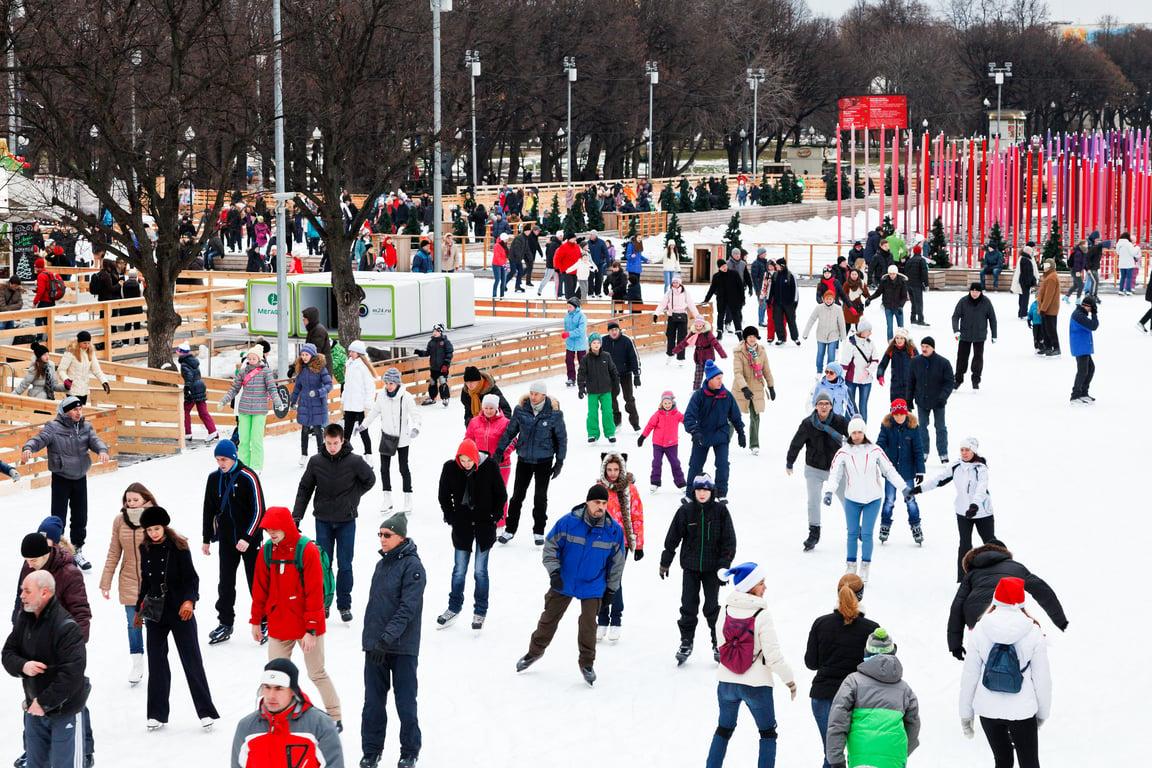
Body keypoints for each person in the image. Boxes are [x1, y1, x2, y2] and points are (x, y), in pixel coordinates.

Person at [515, 484, 625, 686]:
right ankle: (534, 652)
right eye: (596, 502)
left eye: (603, 503)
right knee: (549, 618)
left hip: (593, 583)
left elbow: (617, 563)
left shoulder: (613, 531)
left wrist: (611, 589)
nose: (600, 507)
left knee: (588, 624)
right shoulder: (568, 522)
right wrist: (554, 572)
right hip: (564, 579)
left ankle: (587, 663)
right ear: (587, 502)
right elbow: (550, 546)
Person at [250, 506, 341, 729]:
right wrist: (255, 620)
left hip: (305, 625)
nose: (271, 534)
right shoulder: (267, 551)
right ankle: (282, 714)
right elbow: (260, 588)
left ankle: (335, 716)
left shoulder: (307, 550)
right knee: (276, 675)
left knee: (316, 672)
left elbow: (314, 593)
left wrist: (310, 630)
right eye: (268, 530)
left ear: (286, 527)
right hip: (279, 623)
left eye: (275, 529)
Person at [705, 562, 797, 768]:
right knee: (767, 734)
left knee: (723, 729)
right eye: (761, 583)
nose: (765, 587)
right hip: (757, 685)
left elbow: (721, 643)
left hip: (726, 682)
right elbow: (773, 656)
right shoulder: (762, 615)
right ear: (750, 585)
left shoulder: (725, 610)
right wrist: (789, 680)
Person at [135, 507, 219, 731]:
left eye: (156, 528)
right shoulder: (144, 548)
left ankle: (205, 712)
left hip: (180, 611)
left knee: (191, 660)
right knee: (157, 662)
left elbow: (192, 579)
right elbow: (145, 581)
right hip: (154, 613)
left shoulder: (179, 546)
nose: (153, 533)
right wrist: (138, 609)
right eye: (149, 529)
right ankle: (156, 714)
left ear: (164, 527)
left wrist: (189, 601)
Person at [958, 577, 1051, 768]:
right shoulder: (1033, 632)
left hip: (988, 710)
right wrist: (1042, 714)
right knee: (1030, 763)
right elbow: (1043, 680)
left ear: (996, 599)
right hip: (1023, 711)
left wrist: (966, 714)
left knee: (1002, 761)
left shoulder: (980, 630)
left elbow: (969, 677)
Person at [3, 571, 90, 768]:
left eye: (27, 591)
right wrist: (23, 666)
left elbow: (72, 675)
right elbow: (8, 653)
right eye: (21, 590)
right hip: (34, 708)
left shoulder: (66, 627)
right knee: (36, 764)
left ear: (45, 593)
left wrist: (43, 702)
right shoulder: (24, 618)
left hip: (64, 710)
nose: (22, 596)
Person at [293, 424, 375, 623]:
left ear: (342, 441)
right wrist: (296, 516)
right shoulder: (315, 462)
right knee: (323, 565)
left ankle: (344, 604)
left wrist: (352, 498)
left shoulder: (355, 461)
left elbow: (370, 480)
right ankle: (324, 602)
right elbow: (305, 489)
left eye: (335, 443)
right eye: (328, 443)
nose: (331, 447)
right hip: (323, 520)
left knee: (345, 565)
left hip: (346, 521)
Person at [361, 514, 425, 768]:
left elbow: (407, 609)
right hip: (376, 648)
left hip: (402, 649)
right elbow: (376, 608)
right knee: (373, 703)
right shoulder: (382, 564)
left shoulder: (413, 567)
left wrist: (385, 639)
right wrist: (371, 642)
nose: (382, 539)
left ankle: (409, 751)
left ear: (402, 537)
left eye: (387, 535)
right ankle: (371, 751)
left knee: (405, 702)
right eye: (380, 534)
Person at [21, 396, 110, 570]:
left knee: (80, 517)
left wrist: (102, 450)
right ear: (65, 411)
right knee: (58, 518)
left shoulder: (85, 426)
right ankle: (58, 552)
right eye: (74, 409)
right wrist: (28, 447)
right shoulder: (53, 427)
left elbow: (95, 440)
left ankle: (77, 550)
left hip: (80, 478)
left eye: (80, 409)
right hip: (61, 478)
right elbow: (39, 439)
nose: (78, 412)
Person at [805, 575, 880, 768]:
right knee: (860, 756)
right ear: (861, 596)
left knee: (831, 755)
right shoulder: (871, 629)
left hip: (823, 698)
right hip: (857, 699)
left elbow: (811, 663)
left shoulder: (820, 623)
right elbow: (878, 668)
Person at [660, 474, 736, 665]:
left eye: (706, 490)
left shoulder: (721, 511)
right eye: (699, 490)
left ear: (711, 491)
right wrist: (665, 560)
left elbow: (729, 541)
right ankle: (686, 642)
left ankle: (718, 643)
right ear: (694, 491)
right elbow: (673, 537)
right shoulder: (686, 511)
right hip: (691, 568)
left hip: (713, 570)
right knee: (688, 606)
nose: (702, 493)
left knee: (712, 608)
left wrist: (724, 566)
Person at [949, 541, 1068, 661]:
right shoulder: (1016, 567)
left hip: (978, 619)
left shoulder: (972, 573)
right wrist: (1061, 621)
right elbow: (1043, 592)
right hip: (1010, 616)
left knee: (983, 654)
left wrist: (955, 645)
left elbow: (957, 606)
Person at [824, 418, 909, 583]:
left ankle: (865, 565)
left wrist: (903, 487)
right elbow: (835, 474)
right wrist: (829, 491)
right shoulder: (843, 452)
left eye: (859, 432)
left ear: (864, 432)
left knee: (867, 533)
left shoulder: (875, 450)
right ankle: (851, 565)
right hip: (852, 499)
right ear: (849, 434)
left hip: (873, 499)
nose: (856, 436)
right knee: (852, 533)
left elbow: (889, 470)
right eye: (853, 433)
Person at [436, 438, 506, 630]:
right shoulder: (451, 468)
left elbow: (501, 494)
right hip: (462, 525)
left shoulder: (489, 466)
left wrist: (494, 516)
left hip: (484, 525)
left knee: (480, 571)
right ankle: (453, 607)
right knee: (459, 570)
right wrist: (450, 515)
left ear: (476, 457)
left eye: (469, 460)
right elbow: (443, 495)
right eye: (463, 460)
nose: (466, 464)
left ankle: (480, 611)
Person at [201, 439, 266, 645]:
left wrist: (247, 537)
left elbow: (259, 510)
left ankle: (264, 620)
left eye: (225, 459)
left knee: (255, 583)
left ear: (234, 457)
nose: (221, 463)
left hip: (249, 541)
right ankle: (225, 623)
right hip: (228, 541)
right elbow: (208, 509)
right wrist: (206, 538)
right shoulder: (213, 479)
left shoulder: (248, 477)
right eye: (218, 459)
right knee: (225, 583)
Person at [825, 627, 920, 768]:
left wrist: (836, 759)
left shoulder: (852, 682)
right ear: (893, 653)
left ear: (866, 653)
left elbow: (837, 721)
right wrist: (900, 753)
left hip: (861, 756)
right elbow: (913, 725)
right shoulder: (904, 689)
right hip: (894, 755)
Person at [231, 658, 344, 768]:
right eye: (267, 687)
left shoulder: (319, 724)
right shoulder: (246, 727)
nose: (271, 696)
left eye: (279, 688)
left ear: (293, 691)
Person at [495, 381, 568, 546]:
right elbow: (510, 431)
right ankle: (510, 529)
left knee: (540, 497)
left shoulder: (554, 414)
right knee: (517, 496)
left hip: (544, 460)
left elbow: (561, 438)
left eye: (536, 394)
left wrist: (560, 462)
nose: (533, 396)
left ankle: (539, 531)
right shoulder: (521, 410)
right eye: (531, 393)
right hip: (524, 460)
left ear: (544, 395)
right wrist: (499, 450)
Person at [913, 436, 993, 581]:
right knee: (964, 545)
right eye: (962, 450)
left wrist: (975, 505)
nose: (964, 453)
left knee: (989, 543)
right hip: (963, 512)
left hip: (982, 512)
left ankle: (997, 572)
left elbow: (981, 488)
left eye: (967, 450)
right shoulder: (956, 466)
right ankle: (963, 578)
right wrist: (919, 489)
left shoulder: (981, 468)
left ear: (973, 451)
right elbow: (939, 479)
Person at [99, 483, 153, 685]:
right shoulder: (119, 521)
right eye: (128, 500)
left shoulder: (154, 517)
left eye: (135, 500)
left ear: (145, 500)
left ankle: (157, 660)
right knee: (134, 624)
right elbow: (114, 552)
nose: (130, 503)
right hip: (128, 580)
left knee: (156, 625)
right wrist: (106, 581)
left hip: (152, 581)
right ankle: (137, 662)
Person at [786, 391, 849, 552]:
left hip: (836, 468)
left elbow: (854, 439)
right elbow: (796, 443)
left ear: (831, 406)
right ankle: (814, 533)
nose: (823, 406)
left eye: (826, 404)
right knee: (813, 501)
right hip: (814, 468)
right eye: (820, 403)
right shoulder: (808, 424)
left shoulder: (840, 421)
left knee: (846, 499)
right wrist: (790, 462)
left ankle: (855, 528)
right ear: (816, 406)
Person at [595, 452, 644, 641]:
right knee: (600, 579)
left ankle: (615, 619)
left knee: (615, 581)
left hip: (620, 543)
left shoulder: (630, 490)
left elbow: (637, 516)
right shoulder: (598, 488)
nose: (613, 473)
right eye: (609, 469)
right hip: (600, 543)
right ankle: (601, 619)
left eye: (616, 469)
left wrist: (638, 544)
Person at [359, 367, 420, 514]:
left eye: (391, 383)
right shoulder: (381, 396)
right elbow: (374, 412)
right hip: (386, 438)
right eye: (386, 383)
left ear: (397, 383)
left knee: (403, 468)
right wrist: (364, 425)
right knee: (384, 469)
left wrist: (416, 427)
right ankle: (387, 499)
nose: (388, 386)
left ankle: (408, 498)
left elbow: (415, 414)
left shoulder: (406, 397)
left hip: (402, 439)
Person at [684, 360, 745, 502]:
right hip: (702, 435)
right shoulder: (698, 396)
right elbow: (689, 416)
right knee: (695, 465)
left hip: (721, 434)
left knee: (722, 464)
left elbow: (735, 415)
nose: (720, 381)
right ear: (709, 379)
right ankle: (690, 494)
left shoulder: (726, 395)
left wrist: (741, 432)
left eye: (721, 378)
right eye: (717, 378)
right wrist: (694, 431)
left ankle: (720, 493)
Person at [221, 346, 285, 471]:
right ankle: (244, 465)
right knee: (244, 440)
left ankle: (256, 467)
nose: (251, 360)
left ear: (259, 358)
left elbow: (272, 388)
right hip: (244, 409)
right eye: (249, 358)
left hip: (259, 410)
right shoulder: (243, 372)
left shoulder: (266, 372)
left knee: (256, 440)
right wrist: (224, 400)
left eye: (254, 358)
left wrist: (277, 401)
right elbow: (234, 388)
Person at [875, 399, 925, 545]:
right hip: (891, 472)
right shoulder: (886, 426)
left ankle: (916, 525)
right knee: (889, 500)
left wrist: (920, 471)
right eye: (896, 414)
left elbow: (918, 450)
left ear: (906, 413)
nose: (899, 417)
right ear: (892, 414)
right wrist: (875, 457)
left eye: (901, 414)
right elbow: (880, 444)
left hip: (907, 472)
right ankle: (885, 525)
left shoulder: (913, 427)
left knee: (910, 500)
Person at [907, 337, 953, 463]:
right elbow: (911, 382)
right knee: (922, 427)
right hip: (922, 401)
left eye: (927, 346)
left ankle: (943, 453)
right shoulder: (915, 362)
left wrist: (943, 397)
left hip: (938, 402)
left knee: (940, 427)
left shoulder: (943, 363)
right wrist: (909, 400)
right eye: (922, 346)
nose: (924, 349)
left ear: (933, 348)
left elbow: (949, 382)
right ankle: (923, 452)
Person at [732, 326, 775, 456]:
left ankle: (754, 444)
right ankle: (724, 441)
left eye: (754, 336)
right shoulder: (739, 352)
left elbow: (766, 369)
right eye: (749, 336)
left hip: (757, 387)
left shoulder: (761, 351)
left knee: (755, 416)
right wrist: (744, 388)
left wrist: (771, 386)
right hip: (741, 388)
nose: (752, 339)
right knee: (732, 417)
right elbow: (738, 372)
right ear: (745, 338)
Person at [289, 343, 332, 466]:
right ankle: (304, 454)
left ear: (312, 355)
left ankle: (321, 454)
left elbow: (329, 385)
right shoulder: (301, 369)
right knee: (305, 429)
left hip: (317, 403)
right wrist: (293, 401)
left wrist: (319, 392)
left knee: (318, 430)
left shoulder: (320, 368)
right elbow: (297, 387)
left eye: (306, 354)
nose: (304, 357)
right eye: (302, 354)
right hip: (305, 404)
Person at [952, 283, 998, 390]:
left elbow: (992, 319)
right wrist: (956, 330)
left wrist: (994, 334)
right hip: (964, 335)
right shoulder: (963, 301)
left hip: (979, 335)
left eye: (976, 291)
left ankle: (976, 380)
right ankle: (958, 379)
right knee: (962, 358)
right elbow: (955, 316)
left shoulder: (986, 302)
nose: (974, 293)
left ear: (980, 292)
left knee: (978, 358)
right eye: (972, 291)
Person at [577, 333, 620, 444]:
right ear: (590, 344)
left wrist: (616, 384)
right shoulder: (586, 359)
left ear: (601, 344)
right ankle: (592, 434)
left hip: (606, 390)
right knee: (592, 413)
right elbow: (581, 374)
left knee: (608, 412)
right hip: (592, 391)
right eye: (594, 343)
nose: (596, 345)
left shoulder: (606, 356)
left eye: (598, 343)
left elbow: (613, 370)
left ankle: (610, 433)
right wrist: (581, 388)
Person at [602, 321, 642, 433]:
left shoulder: (626, 340)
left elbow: (634, 358)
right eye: (611, 330)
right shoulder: (603, 341)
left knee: (629, 398)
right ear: (608, 331)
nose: (614, 332)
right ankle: (616, 422)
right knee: (611, 399)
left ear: (619, 330)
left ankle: (635, 424)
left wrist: (637, 375)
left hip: (626, 374)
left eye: (616, 330)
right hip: (611, 375)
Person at [176, 343, 218, 442]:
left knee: (185, 410)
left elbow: (189, 376)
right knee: (203, 411)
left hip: (193, 388)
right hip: (200, 386)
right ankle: (213, 431)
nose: (176, 352)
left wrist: (187, 388)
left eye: (178, 350)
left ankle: (188, 433)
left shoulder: (184, 363)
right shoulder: (193, 361)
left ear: (182, 352)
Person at [655, 275, 701, 366]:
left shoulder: (685, 293)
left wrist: (697, 316)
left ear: (680, 283)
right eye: (673, 282)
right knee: (670, 336)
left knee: (681, 338)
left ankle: (680, 358)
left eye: (676, 282)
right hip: (672, 316)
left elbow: (691, 305)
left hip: (682, 317)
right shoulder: (669, 293)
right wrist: (656, 313)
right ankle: (670, 354)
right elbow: (662, 304)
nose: (675, 284)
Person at [341, 340, 377, 455]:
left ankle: (368, 455)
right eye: (350, 351)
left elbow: (370, 388)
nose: (350, 353)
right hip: (350, 405)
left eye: (352, 351)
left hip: (361, 406)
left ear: (359, 353)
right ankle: (344, 454)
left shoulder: (363, 367)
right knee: (347, 432)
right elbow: (346, 386)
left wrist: (367, 406)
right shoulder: (349, 364)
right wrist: (343, 402)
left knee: (363, 431)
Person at [56, 331, 110, 406]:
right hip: (72, 389)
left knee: (80, 412)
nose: (87, 345)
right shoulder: (71, 352)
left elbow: (96, 370)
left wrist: (104, 381)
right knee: (74, 411)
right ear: (79, 342)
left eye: (88, 343)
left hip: (84, 390)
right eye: (84, 343)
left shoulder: (90, 353)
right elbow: (61, 369)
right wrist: (66, 379)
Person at [674, 316, 728, 390]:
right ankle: (696, 390)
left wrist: (722, 353)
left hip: (708, 358)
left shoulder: (707, 333)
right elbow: (685, 342)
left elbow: (715, 343)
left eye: (700, 325)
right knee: (698, 376)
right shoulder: (693, 333)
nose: (698, 327)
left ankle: (713, 389)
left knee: (710, 375)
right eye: (696, 325)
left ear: (703, 325)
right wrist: (676, 350)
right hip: (699, 357)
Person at [839, 319, 876, 422]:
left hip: (866, 381)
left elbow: (875, 359)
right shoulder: (851, 344)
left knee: (863, 406)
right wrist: (842, 379)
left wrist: (868, 370)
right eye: (868, 331)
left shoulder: (870, 343)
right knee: (850, 406)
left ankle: (862, 431)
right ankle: (847, 430)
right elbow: (844, 363)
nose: (870, 333)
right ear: (862, 331)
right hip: (851, 380)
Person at [804, 291, 847, 374]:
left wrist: (843, 336)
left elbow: (841, 323)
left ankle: (829, 372)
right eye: (827, 299)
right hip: (821, 335)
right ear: (823, 299)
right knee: (820, 354)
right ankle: (819, 371)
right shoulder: (819, 308)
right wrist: (806, 333)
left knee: (831, 355)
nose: (828, 300)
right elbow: (811, 319)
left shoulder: (838, 308)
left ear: (833, 299)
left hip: (833, 335)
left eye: (830, 299)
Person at [1069, 294, 1098, 404]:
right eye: (1092, 308)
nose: (1092, 310)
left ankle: (1083, 392)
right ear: (1087, 306)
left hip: (1083, 346)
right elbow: (1094, 326)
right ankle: (1075, 395)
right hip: (1080, 347)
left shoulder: (1080, 313)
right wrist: (1095, 314)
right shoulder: (1079, 316)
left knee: (1090, 369)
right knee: (1083, 371)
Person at [875, 328, 917, 403]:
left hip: (908, 384)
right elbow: (882, 365)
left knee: (907, 410)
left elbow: (919, 364)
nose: (899, 340)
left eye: (901, 338)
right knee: (895, 408)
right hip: (895, 385)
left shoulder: (911, 349)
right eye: (897, 338)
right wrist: (880, 375)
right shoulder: (891, 349)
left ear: (905, 339)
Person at [705, 260, 742, 339]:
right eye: (722, 267)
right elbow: (712, 289)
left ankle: (739, 333)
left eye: (725, 266)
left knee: (735, 316)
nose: (724, 268)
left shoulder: (734, 274)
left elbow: (740, 287)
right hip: (721, 299)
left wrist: (742, 299)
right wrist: (706, 300)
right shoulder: (716, 276)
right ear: (719, 268)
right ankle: (719, 333)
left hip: (733, 299)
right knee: (720, 315)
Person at [418, 324, 453, 407]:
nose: (434, 333)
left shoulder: (445, 342)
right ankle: (432, 398)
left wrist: (446, 364)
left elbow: (449, 353)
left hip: (442, 367)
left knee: (442, 381)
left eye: (436, 331)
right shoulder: (431, 342)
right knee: (432, 382)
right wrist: (420, 353)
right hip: (434, 367)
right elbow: (427, 353)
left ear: (440, 332)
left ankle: (445, 398)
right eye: (434, 331)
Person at [768, 258, 799, 345]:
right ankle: (780, 338)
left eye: (777, 265)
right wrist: (769, 299)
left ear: (782, 266)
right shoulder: (775, 275)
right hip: (777, 303)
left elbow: (795, 290)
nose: (776, 266)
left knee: (791, 321)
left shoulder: (790, 275)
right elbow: (771, 289)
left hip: (789, 304)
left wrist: (795, 302)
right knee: (778, 321)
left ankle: (795, 337)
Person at [875, 265, 909, 340]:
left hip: (898, 307)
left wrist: (901, 306)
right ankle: (890, 342)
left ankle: (903, 341)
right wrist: (870, 299)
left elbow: (904, 296)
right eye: (890, 274)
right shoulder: (884, 281)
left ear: (896, 273)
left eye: (893, 274)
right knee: (889, 326)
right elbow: (878, 292)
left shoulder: (902, 282)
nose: (892, 275)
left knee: (901, 327)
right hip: (888, 307)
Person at [1035, 260, 1061, 354]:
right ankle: (1048, 346)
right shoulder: (1048, 276)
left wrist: (1043, 309)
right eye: (1044, 265)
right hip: (1046, 308)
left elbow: (1048, 296)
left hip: (1050, 309)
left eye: (1047, 265)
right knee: (1045, 329)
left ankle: (1056, 348)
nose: (1045, 267)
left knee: (1051, 329)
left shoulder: (1051, 278)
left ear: (1051, 267)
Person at [562, 296, 588, 387]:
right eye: (567, 306)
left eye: (570, 306)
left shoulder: (582, 316)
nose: (568, 308)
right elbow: (566, 328)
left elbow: (581, 330)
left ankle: (584, 378)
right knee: (568, 360)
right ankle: (571, 378)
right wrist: (566, 333)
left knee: (582, 361)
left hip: (580, 342)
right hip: (570, 343)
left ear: (575, 306)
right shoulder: (567, 316)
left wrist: (569, 334)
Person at [300, 307, 333, 374]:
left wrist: (299, 365)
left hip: (320, 369)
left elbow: (313, 352)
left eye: (305, 319)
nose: (303, 321)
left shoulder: (318, 331)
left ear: (310, 319)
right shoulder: (312, 329)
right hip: (317, 367)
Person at [903, 245, 929, 325]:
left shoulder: (909, 260)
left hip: (909, 284)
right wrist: (926, 284)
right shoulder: (921, 260)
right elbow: (924, 273)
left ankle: (913, 318)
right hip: (917, 284)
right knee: (919, 302)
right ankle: (920, 320)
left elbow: (905, 272)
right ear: (920, 251)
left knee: (913, 302)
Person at [1011, 243, 1039, 318]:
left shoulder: (1024, 258)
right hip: (1025, 282)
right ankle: (1023, 313)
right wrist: (1031, 282)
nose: (1032, 252)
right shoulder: (1026, 259)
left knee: (1022, 297)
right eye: (1031, 251)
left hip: (1022, 281)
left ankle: (1021, 312)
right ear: (1028, 252)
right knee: (1025, 298)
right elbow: (1027, 273)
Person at [1116, 231, 1140, 295]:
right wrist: (1137, 248)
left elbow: (1117, 253)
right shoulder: (1128, 244)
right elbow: (1133, 253)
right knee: (1129, 277)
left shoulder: (1118, 244)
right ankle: (1128, 291)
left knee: (1123, 277)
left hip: (1121, 263)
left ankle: (1120, 290)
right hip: (1129, 263)